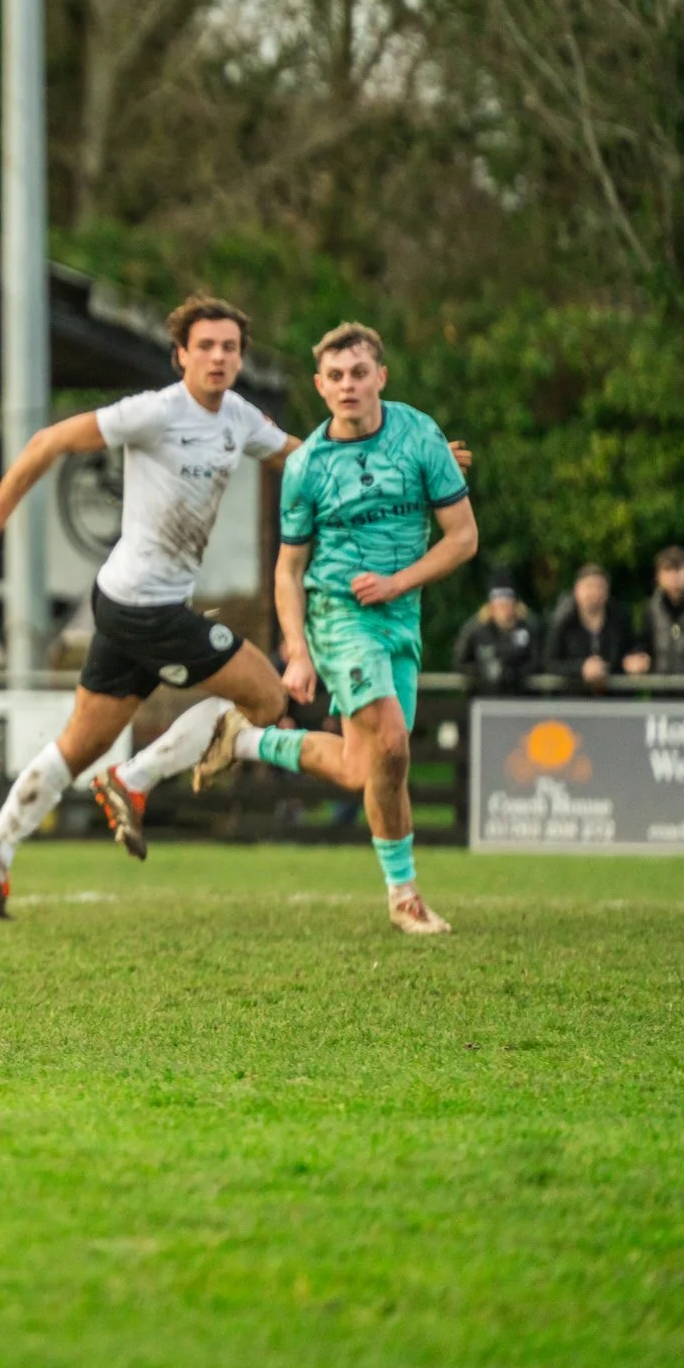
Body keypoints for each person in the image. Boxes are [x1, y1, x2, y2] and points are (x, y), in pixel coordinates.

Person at [0, 295, 297, 915]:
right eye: (205, 346)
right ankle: (132, 780)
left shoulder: (238, 417)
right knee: (267, 697)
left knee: (78, 745)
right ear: (180, 355)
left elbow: (305, 456)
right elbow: (50, 439)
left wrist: (405, 461)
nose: (218, 357)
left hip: (123, 603)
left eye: (229, 347)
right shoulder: (155, 412)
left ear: (240, 358)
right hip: (144, 609)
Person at [199, 323, 477, 934]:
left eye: (359, 373)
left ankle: (248, 741)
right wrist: (296, 649)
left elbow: (464, 538)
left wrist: (399, 583)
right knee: (394, 743)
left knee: (367, 767)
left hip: (399, 616)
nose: (348, 385)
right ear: (320, 386)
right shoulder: (308, 466)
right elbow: (289, 569)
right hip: (339, 615)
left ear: (381, 377)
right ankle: (404, 898)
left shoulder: (420, 435)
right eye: (336, 376)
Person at [544, 564, 645, 689]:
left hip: (614, 698)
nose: (595, 593)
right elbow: (550, 662)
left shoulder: (621, 618)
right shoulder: (563, 622)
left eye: (600, 587)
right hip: (573, 699)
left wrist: (636, 660)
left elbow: (634, 648)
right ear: (577, 590)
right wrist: (581, 668)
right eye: (589, 587)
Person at [450, 571, 540, 695]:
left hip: (521, 698)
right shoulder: (475, 630)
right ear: (491, 606)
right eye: (500, 605)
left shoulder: (528, 628)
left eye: (507, 604)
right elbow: (460, 662)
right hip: (485, 698)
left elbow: (538, 660)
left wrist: (515, 673)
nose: (504, 610)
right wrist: (483, 671)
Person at [646, 545, 684, 678]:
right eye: (668, 570)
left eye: (679, 569)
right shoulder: (652, 608)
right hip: (661, 691)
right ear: (658, 576)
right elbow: (644, 644)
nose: (674, 577)